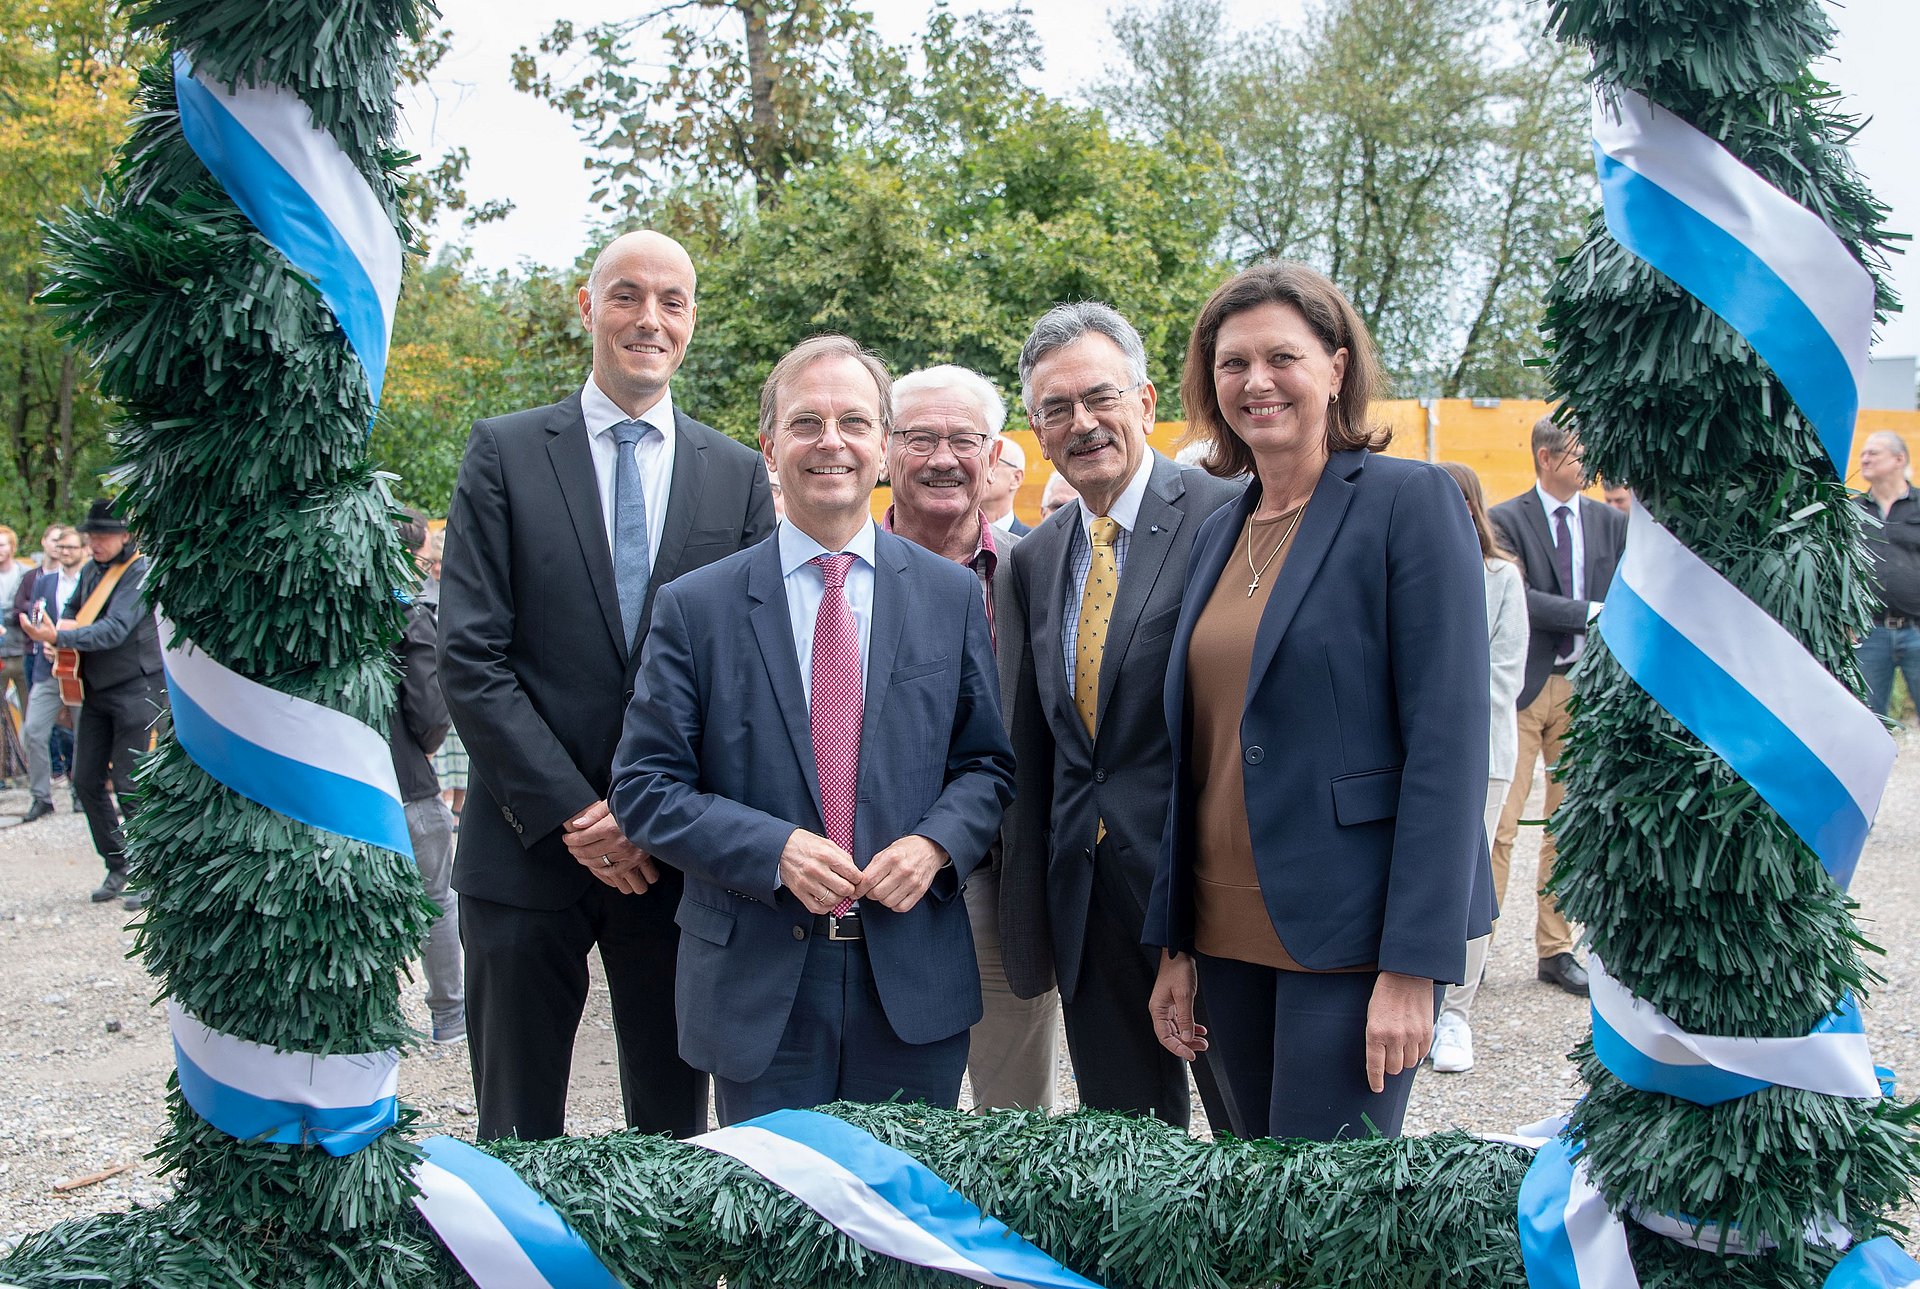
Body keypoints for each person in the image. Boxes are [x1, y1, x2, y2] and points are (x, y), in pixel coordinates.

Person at [610, 335, 1015, 1124]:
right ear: (769, 447)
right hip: (758, 987)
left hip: (912, 982)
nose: (831, 441)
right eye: (807, 422)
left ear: (884, 448)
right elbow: (645, 788)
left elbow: (986, 768)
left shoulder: (948, 595)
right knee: (774, 1227)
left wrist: (935, 843)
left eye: (854, 422)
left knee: (904, 1228)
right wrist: (776, 850)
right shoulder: (697, 606)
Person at [438, 230, 775, 1142]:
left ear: (692, 320)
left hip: (673, 859)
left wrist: (649, 812)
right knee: (516, 1129)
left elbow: (741, 673)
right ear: (587, 308)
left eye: (672, 300)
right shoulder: (503, 453)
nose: (649, 319)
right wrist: (578, 814)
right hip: (524, 847)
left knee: (675, 1130)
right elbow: (470, 655)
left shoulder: (737, 474)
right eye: (627, 295)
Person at [1145, 262, 1491, 1141]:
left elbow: (1448, 747)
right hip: (1223, 939)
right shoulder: (1219, 525)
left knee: (1327, 1219)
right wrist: (1176, 943)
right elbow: (1199, 751)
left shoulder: (1408, 503)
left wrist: (1414, 967)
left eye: (1281, 357)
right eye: (1232, 364)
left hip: (1350, 938)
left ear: (1336, 367)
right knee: (1256, 1209)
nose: (1256, 382)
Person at [998, 301, 1242, 1133]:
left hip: (1211, 895)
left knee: (1255, 1142)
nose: (1083, 422)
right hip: (1089, 900)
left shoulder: (1232, 514)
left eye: (1100, 397)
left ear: (1144, 401)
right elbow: (1039, 747)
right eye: (1056, 409)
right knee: (1127, 1151)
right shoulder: (1035, 556)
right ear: (1035, 430)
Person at [881, 362, 1061, 1111]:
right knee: (886, 1121)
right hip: (874, 885)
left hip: (1005, 885)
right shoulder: (834, 575)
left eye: (964, 438)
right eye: (920, 437)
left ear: (995, 458)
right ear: (887, 450)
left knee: (1014, 1127)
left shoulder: (1039, 573)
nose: (942, 456)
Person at [1488, 415, 1626, 997]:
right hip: (1523, 689)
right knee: (1500, 822)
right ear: (1546, 458)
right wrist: (1594, 613)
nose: (1586, 462)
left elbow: (1629, 587)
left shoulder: (1608, 521)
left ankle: (1556, 948)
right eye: (1577, 452)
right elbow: (1519, 597)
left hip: (1584, 689)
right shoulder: (1506, 519)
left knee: (1568, 825)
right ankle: (1477, 950)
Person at [1429, 462, 1528, 1075]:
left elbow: (1503, 677)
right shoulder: (1412, 568)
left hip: (1482, 753)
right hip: (1410, 757)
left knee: (1469, 882)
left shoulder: (1501, 577)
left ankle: (1456, 1014)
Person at [19, 499, 165, 909]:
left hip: (136, 689)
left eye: (101, 536)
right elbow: (71, 613)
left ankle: (151, 872)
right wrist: (58, 635)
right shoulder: (92, 571)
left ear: (124, 536)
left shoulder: (139, 571)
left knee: (131, 784)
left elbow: (116, 629)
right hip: (96, 689)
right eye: (91, 536)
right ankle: (119, 863)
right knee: (85, 780)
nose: (94, 543)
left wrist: (59, 639)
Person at [388, 507, 465, 1045]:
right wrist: (421, 750)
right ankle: (449, 1018)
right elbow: (431, 707)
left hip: (334, 784)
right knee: (435, 898)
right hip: (407, 780)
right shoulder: (407, 611)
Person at [17, 527, 86, 823]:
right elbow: (36, 616)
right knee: (33, 730)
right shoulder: (44, 582)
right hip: (48, 667)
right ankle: (41, 796)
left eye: (71, 547)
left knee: (86, 733)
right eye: (60, 547)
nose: (65, 552)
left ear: (83, 549)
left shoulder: (94, 581)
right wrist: (44, 641)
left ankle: (81, 791)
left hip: (82, 667)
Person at [1854, 431, 1920, 719]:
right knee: (1866, 719)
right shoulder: (1852, 510)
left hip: (1918, 629)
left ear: (1898, 459)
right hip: (1870, 632)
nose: (1864, 458)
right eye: (1863, 454)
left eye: (1873, 453)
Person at [0, 525, 33, 726]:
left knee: (30, 716)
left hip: (23, 651)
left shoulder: (27, 575)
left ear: (12, 547)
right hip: (0, 654)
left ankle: (26, 757)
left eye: (2, 545)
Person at [984, 436, 1030, 535]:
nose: (982, 469)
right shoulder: (948, 540)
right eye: (980, 461)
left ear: (1016, 478)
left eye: (992, 461)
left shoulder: (1035, 543)